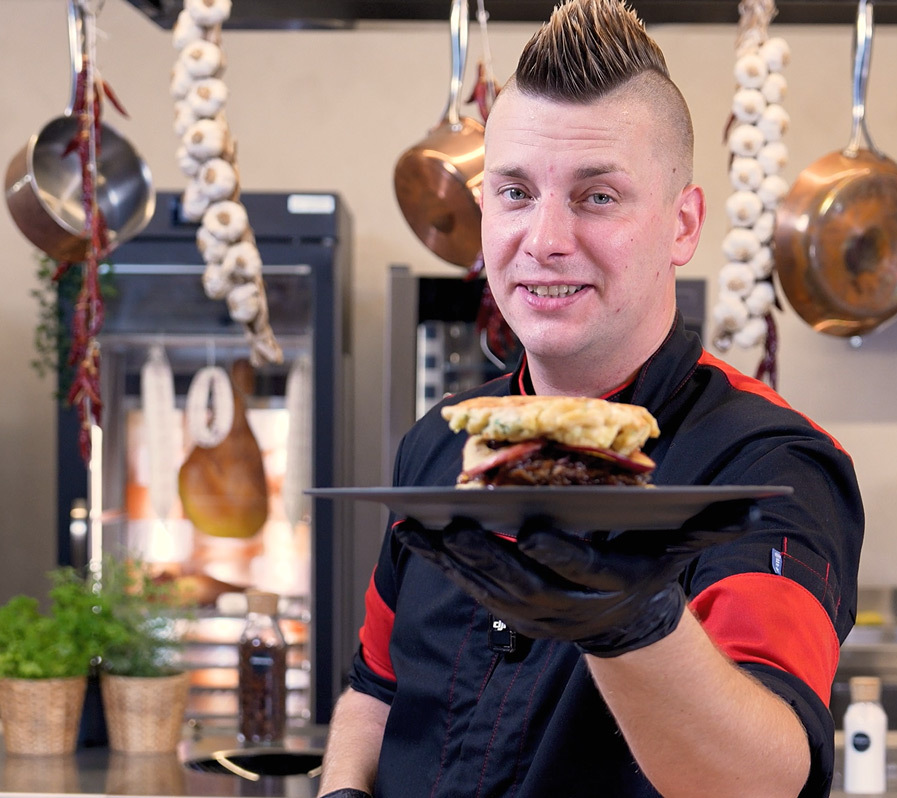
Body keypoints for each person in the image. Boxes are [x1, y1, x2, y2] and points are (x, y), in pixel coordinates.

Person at [318, 0, 863, 796]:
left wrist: (628, 618)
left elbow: (763, 778)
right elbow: (376, 688)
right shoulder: (439, 444)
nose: (543, 240)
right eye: (513, 193)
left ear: (683, 225)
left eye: (597, 196)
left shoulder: (768, 465)